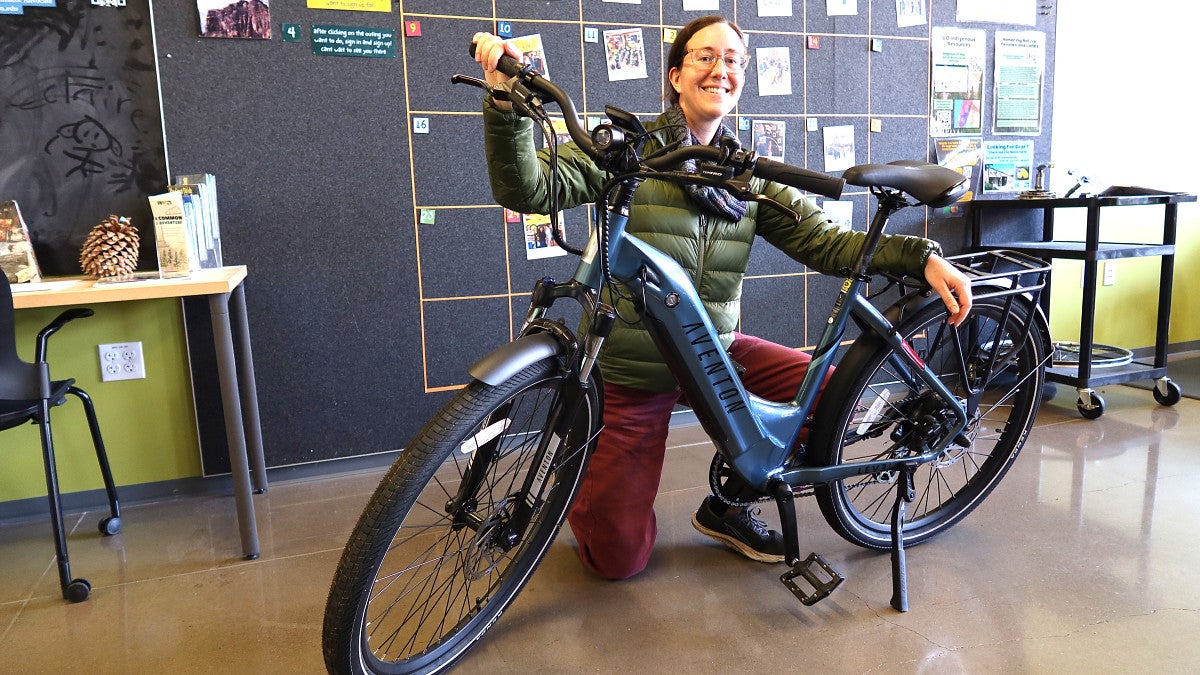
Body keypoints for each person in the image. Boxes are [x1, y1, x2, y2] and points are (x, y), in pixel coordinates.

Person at [472, 16, 972, 580]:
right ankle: (596, 476)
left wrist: (920, 256)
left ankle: (730, 501)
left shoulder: (746, 174)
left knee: (836, 400)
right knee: (615, 559)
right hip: (635, 369)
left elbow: (826, 242)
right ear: (676, 74)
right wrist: (504, 101)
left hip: (716, 353)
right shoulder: (629, 153)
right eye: (706, 56)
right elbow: (530, 188)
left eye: (734, 60)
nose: (722, 69)